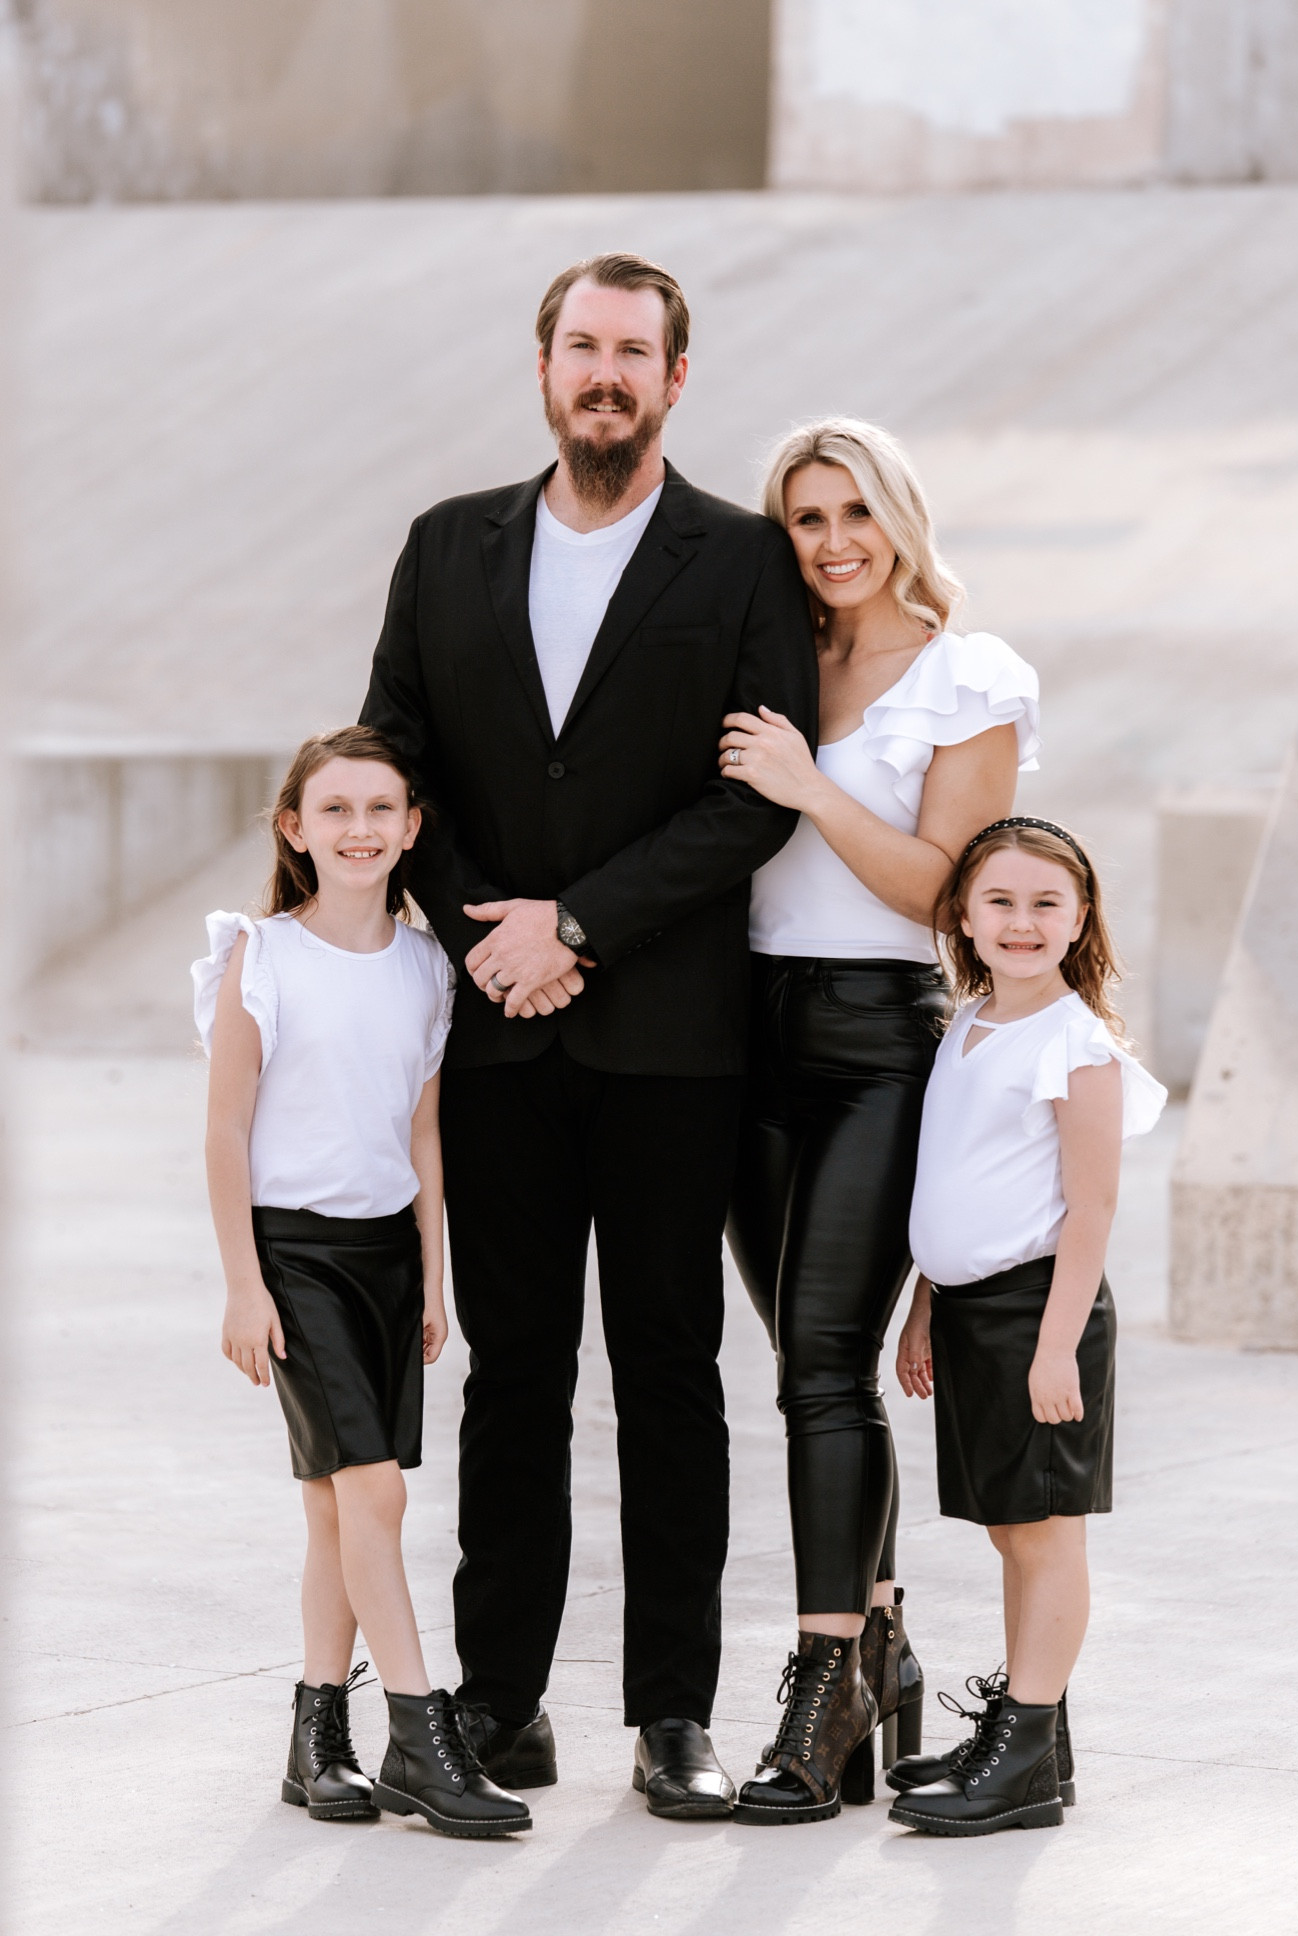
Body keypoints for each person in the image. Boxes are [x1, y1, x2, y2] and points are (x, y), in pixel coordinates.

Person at [360, 253, 819, 1818]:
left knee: (671, 1374)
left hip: (672, 1042)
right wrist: (493, 936)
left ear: (675, 379)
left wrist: (579, 925)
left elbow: (755, 796)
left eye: (633, 350)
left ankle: (671, 1712)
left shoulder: (742, 559)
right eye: (581, 345)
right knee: (513, 1378)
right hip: (499, 1036)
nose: (604, 373)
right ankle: (499, 1703)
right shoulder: (446, 546)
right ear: (543, 366)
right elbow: (394, 767)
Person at [718, 419, 1040, 1824]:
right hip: (743, 1036)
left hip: (875, 1043)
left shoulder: (971, 677)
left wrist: (807, 787)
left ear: (900, 519)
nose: (834, 540)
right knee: (818, 1362)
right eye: (806, 518)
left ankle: (818, 1685)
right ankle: (882, 1647)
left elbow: (941, 890)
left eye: (856, 511)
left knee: (819, 1369)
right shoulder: (771, 659)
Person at [194, 725, 531, 1840]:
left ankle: (316, 1738)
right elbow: (226, 1129)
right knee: (375, 1493)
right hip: (294, 1259)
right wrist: (244, 1285)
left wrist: (431, 1275)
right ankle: (420, 1738)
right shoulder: (260, 954)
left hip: (387, 1255)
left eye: (381, 808)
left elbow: (422, 1129)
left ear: (413, 827)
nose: (359, 828)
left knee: (335, 1506)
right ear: (294, 828)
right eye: (334, 809)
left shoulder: (427, 966)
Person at [886, 817, 1165, 1836]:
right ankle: (1032, 1740)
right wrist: (925, 1301)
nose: (1022, 921)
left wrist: (1055, 1348)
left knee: (1045, 1537)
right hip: (971, 1313)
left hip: (1040, 1314)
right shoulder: (966, 1024)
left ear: (1081, 919)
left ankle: (1022, 1761)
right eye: (999, 901)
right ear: (963, 916)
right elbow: (955, 1176)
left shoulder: (1075, 1045)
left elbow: (1090, 1208)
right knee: (1011, 1529)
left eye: (1047, 903)